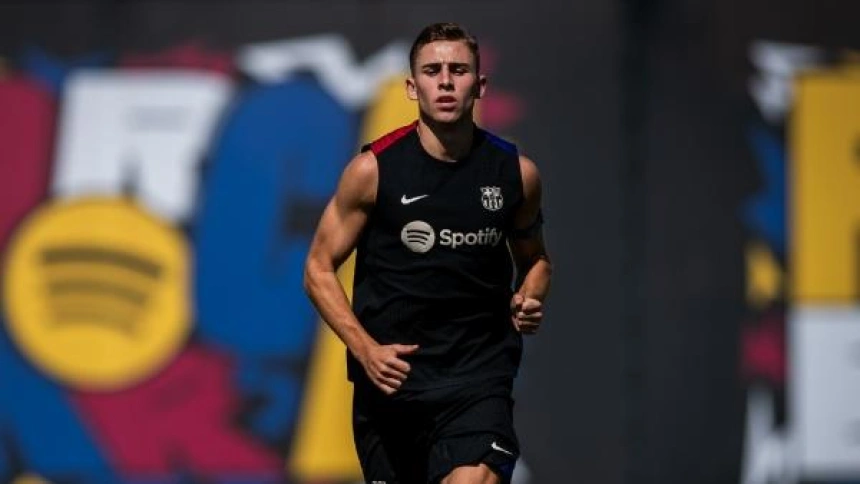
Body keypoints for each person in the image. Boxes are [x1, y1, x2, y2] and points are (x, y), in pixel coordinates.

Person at [303, 22, 551, 484]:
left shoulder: (515, 174)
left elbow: (535, 259)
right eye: (432, 70)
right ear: (412, 87)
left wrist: (530, 295)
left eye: (458, 70)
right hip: (394, 387)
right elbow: (317, 268)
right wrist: (365, 349)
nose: (445, 81)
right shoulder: (372, 171)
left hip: (477, 381)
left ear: (479, 86)